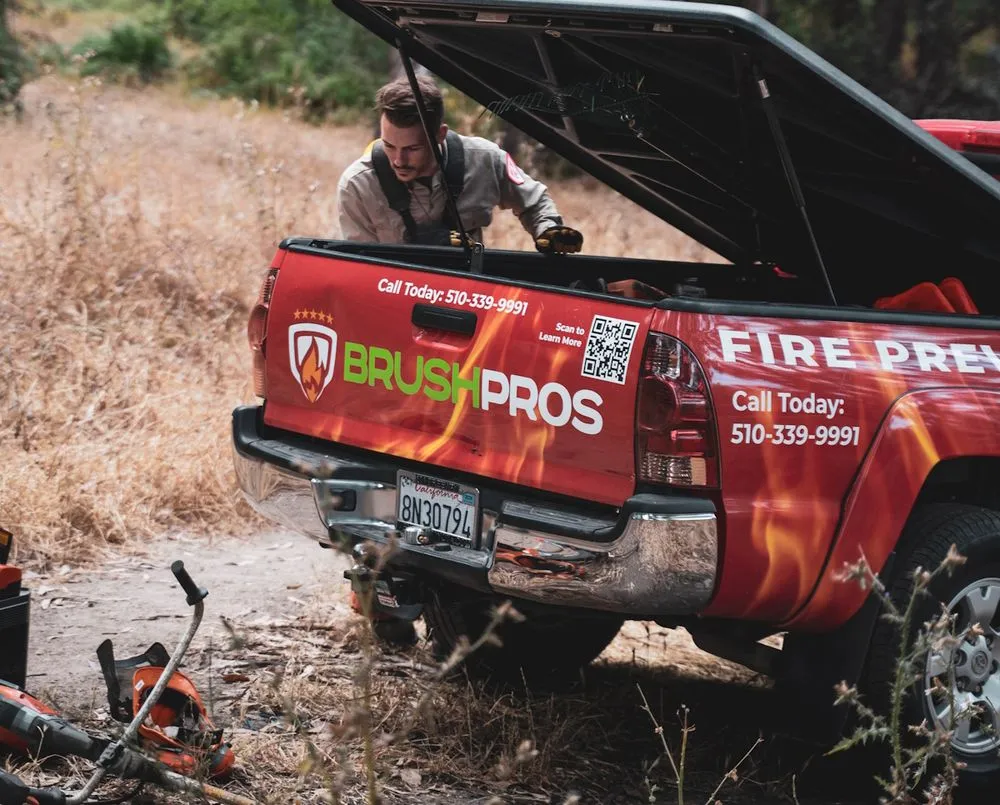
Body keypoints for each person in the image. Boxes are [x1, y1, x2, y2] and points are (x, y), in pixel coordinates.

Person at [337, 74, 583, 254]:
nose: (399, 160)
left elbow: (534, 202)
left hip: (467, 294)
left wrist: (547, 230)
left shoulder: (484, 159)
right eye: (389, 145)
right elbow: (359, 264)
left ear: (440, 135)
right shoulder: (358, 186)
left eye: (412, 149)